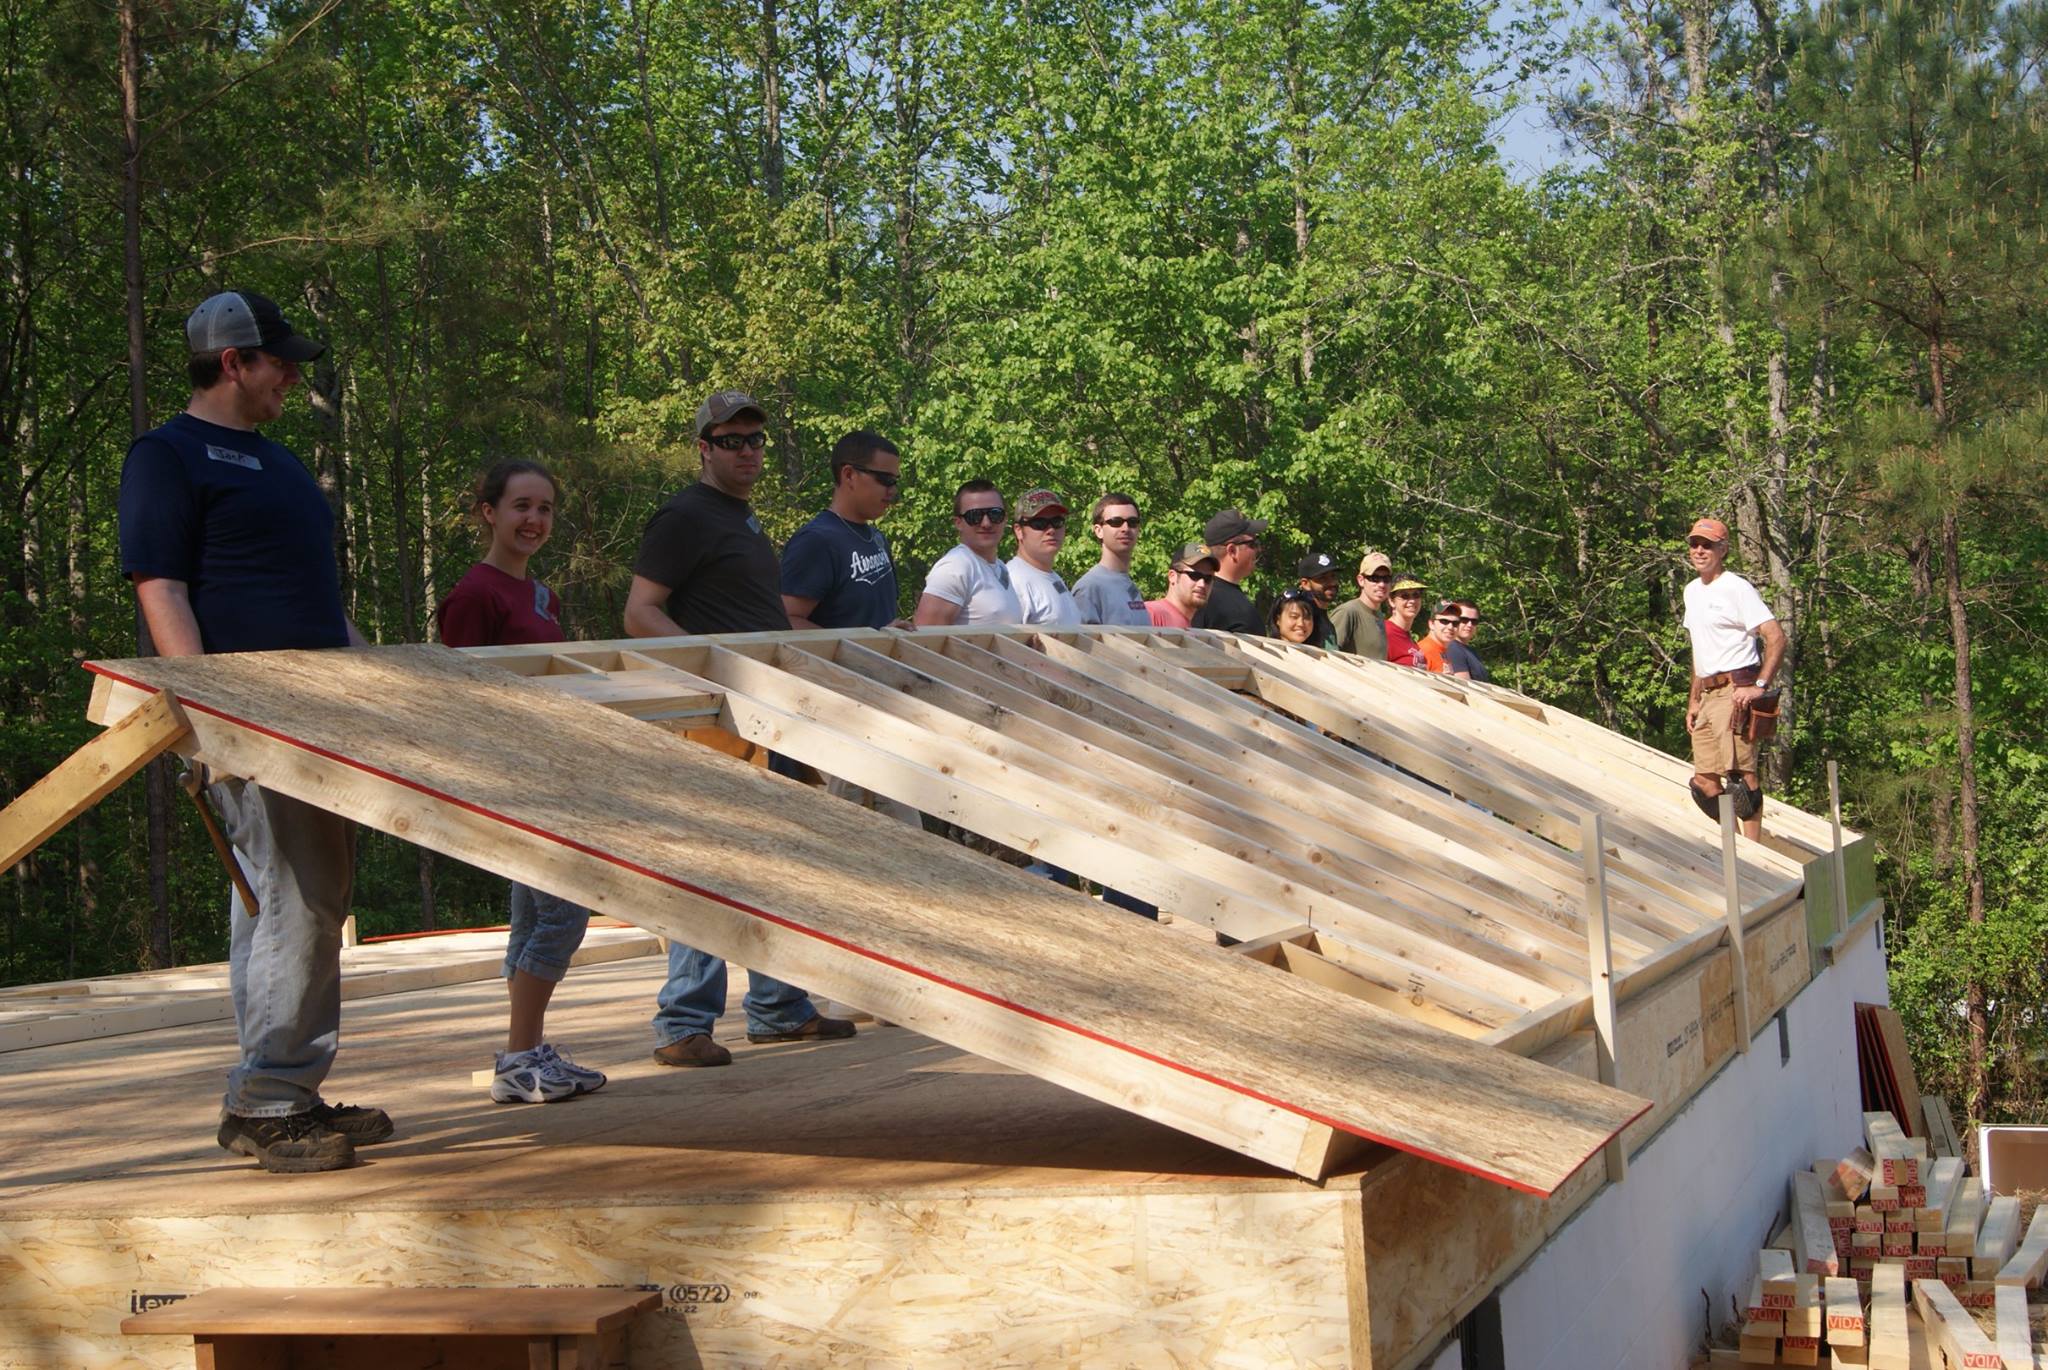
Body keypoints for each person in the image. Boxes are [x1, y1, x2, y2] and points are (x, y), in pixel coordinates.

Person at [118, 290, 388, 1173]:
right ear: (234, 362)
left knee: (286, 899)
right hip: (251, 716)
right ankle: (272, 1099)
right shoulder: (168, 456)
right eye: (281, 362)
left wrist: (383, 680)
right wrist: (206, 718)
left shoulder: (277, 464)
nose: (292, 377)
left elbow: (316, 598)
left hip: (321, 709)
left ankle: (279, 1086)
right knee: (299, 897)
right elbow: (161, 586)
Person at [626, 389, 856, 1067]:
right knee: (716, 865)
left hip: (767, 713)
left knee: (778, 863)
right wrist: (709, 675)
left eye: (756, 440)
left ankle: (778, 1007)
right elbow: (641, 613)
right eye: (732, 441)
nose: (748, 452)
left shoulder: (742, 519)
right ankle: (683, 1021)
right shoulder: (684, 517)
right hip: (720, 718)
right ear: (704, 447)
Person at [439, 460, 608, 1105]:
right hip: (512, 779)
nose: (534, 520)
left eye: (545, 509)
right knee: (564, 914)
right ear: (488, 512)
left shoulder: (542, 595)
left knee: (534, 916)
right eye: (520, 507)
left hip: (553, 769)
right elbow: (457, 698)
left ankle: (524, 1055)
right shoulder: (472, 596)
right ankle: (519, 1056)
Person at [1682, 517, 1787, 840]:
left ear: (1723, 549)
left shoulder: (1736, 588)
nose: (1700, 551)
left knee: (1741, 778)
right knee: (1704, 782)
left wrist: (1758, 686)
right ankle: (1734, 845)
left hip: (1735, 689)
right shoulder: (1692, 591)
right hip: (1708, 692)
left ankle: (1752, 853)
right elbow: (1700, 651)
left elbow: (1776, 637)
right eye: (1695, 544)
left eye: (1708, 545)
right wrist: (1693, 700)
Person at [781, 430, 903, 631]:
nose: (893, 490)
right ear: (849, 475)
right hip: (837, 663)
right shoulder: (816, 541)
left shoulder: (877, 538)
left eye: (895, 481)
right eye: (885, 479)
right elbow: (787, 621)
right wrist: (860, 647)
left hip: (879, 662)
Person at [914, 480, 1024, 626]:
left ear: (1004, 519)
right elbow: (925, 639)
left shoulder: (1000, 567)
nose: (986, 523)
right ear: (958, 522)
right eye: (975, 516)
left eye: (995, 514)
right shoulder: (955, 567)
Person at [1071, 493, 1151, 626]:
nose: (1125, 529)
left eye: (1132, 522)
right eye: (1116, 522)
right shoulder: (1089, 588)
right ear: (1098, 531)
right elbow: (1084, 645)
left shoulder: (1130, 585)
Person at [1007, 489, 1082, 626]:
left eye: (1057, 522)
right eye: (1039, 524)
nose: (1051, 530)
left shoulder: (1054, 577)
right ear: (1019, 531)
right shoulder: (1014, 581)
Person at [1191, 508, 1265, 634]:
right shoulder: (1206, 598)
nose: (1259, 549)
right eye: (1253, 544)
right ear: (1232, 551)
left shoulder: (1219, 596)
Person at [1330, 551, 1393, 659]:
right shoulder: (1347, 612)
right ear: (1361, 580)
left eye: (1386, 579)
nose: (1381, 584)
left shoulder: (1379, 616)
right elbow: (1329, 655)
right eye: (1375, 578)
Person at [1147, 543, 1217, 628]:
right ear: (1172, 576)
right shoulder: (1151, 613)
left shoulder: (1193, 627)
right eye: (1194, 575)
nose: (1201, 584)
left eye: (1208, 578)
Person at [1293, 552, 1340, 646]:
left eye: (1333, 576)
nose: (1331, 583)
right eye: (1322, 578)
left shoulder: (1324, 619)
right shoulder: (1302, 620)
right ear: (1305, 584)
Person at [1384, 578, 1427, 666]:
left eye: (1416, 595)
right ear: (1392, 601)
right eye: (1405, 596)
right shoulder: (1384, 633)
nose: (1412, 601)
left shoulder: (1408, 637)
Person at [1448, 600, 1491, 682]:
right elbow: (1464, 686)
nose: (1469, 625)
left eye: (1474, 621)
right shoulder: (1453, 648)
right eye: (1464, 620)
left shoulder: (1471, 651)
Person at [1418, 600, 1463, 674]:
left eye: (1455, 623)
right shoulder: (1423, 651)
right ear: (1431, 624)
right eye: (1444, 621)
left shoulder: (1443, 652)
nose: (1450, 627)